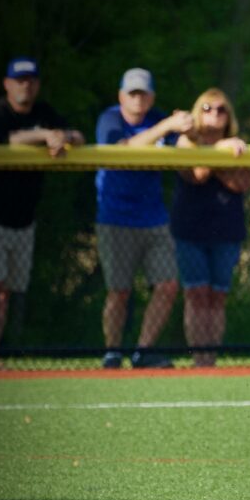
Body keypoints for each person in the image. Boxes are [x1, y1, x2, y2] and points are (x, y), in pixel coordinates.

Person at [0, 57, 84, 371]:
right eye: (20, 80)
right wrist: (45, 136)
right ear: (7, 83)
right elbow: (1, 136)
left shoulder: (44, 112)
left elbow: (76, 134)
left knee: (5, 291)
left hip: (24, 218)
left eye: (31, 79)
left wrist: (63, 137)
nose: (26, 85)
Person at [96, 67, 190, 369]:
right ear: (121, 95)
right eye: (132, 93)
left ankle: (142, 351)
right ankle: (112, 351)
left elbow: (186, 149)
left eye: (143, 93)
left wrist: (189, 127)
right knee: (119, 290)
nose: (138, 99)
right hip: (116, 218)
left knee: (167, 285)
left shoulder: (158, 118)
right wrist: (166, 127)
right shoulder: (110, 119)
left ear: (151, 97)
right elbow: (121, 149)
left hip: (153, 218)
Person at [170, 88, 250, 367]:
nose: (214, 114)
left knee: (217, 296)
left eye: (221, 109)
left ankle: (211, 359)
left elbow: (240, 184)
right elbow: (199, 174)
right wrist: (221, 154)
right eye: (207, 108)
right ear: (196, 112)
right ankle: (199, 359)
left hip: (226, 229)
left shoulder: (240, 144)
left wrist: (217, 156)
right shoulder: (185, 141)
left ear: (229, 115)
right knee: (196, 294)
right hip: (190, 228)